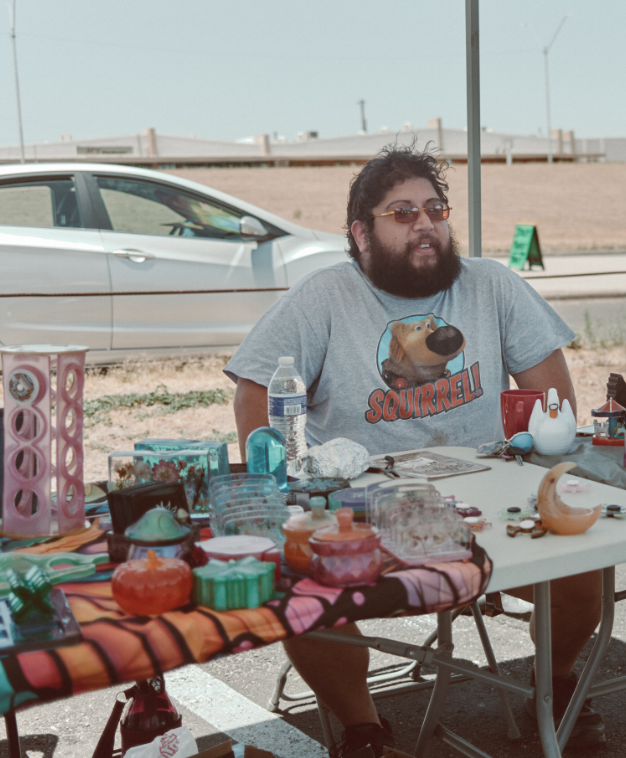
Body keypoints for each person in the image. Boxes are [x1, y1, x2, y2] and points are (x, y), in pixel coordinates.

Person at [225, 146, 605, 756]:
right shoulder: (324, 296)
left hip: (491, 496)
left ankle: (556, 685)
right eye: (402, 213)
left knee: (585, 563)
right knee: (303, 587)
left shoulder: (492, 284)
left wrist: (540, 461)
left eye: (435, 209)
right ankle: (363, 728)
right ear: (361, 233)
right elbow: (255, 391)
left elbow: (553, 399)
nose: (425, 223)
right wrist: (278, 484)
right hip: (360, 507)